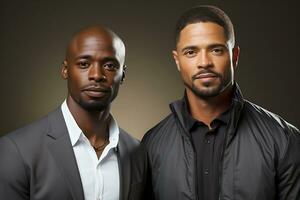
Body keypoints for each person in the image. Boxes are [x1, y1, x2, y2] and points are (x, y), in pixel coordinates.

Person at [142, 5, 300, 200]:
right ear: (177, 60)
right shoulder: (152, 145)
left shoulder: (284, 140)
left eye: (216, 50)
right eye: (191, 52)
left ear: (234, 56)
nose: (204, 62)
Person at [0, 25, 148, 200]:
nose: (96, 75)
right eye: (84, 64)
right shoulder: (17, 150)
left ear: (122, 75)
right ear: (65, 70)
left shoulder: (137, 152)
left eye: (109, 65)